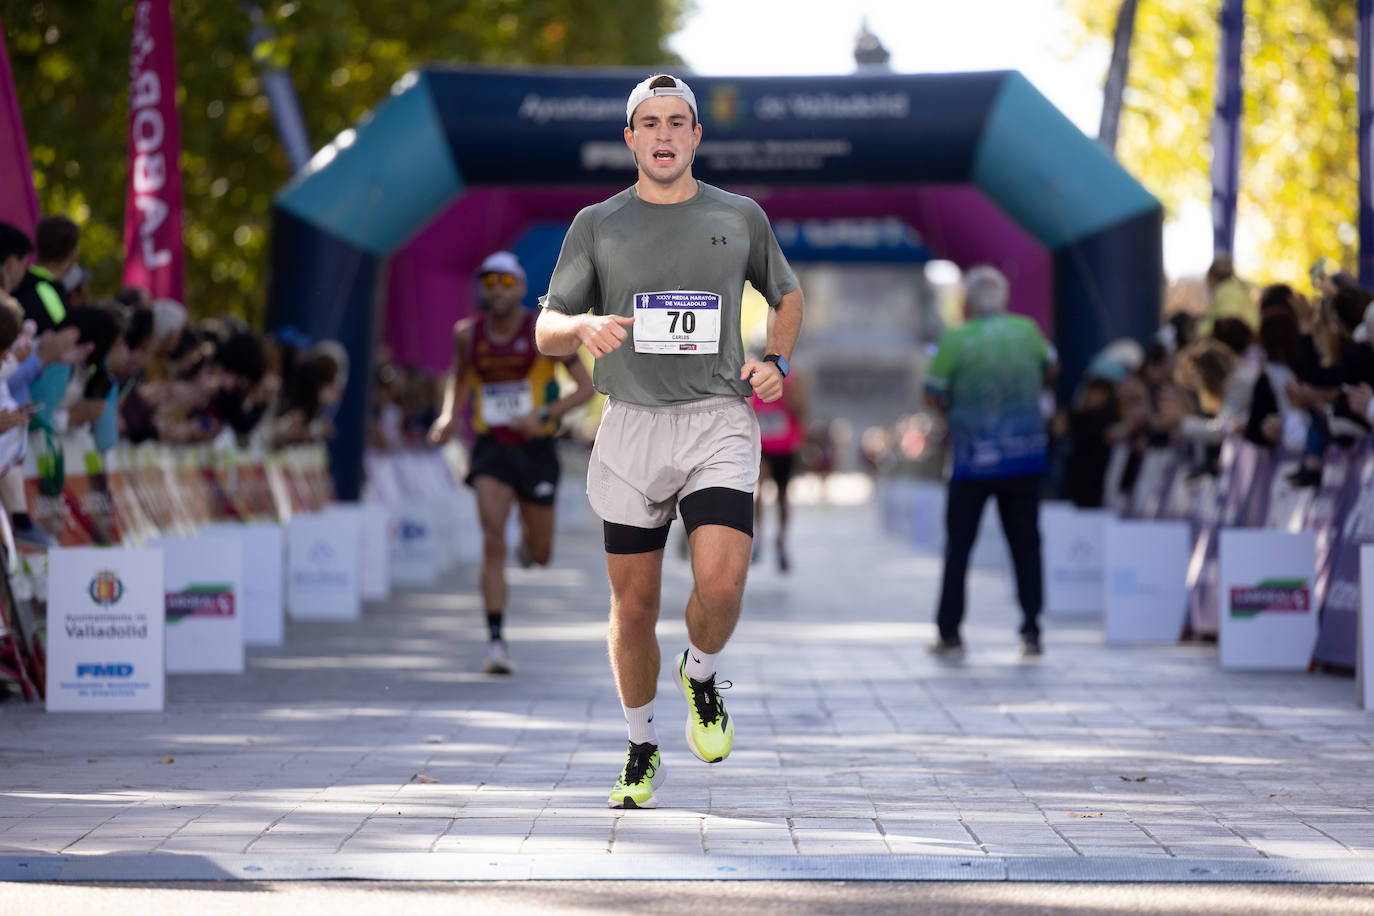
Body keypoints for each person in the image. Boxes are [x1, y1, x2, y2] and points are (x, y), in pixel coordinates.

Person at [534, 74, 804, 809]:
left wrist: (775, 360)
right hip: (631, 426)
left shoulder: (740, 215)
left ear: (695, 136)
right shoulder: (598, 223)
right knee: (634, 606)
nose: (662, 134)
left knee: (720, 584)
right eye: (648, 122)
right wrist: (581, 328)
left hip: (718, 415)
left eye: (676, 122)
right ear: (630, 138)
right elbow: (546, 323)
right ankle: (640, 743)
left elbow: (787, 295)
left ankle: (703, 673)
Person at [429, 251, 594, 675]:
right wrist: (449, 416)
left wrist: (541, 417)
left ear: (521, 288)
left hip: (536, 448)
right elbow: (461, 378)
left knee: (540, 554)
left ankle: (529, 541)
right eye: (489, 282)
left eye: (506, 282)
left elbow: (585, 388)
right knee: (491, 541)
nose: (497, 290)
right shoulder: (467, 334)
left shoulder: (543, 332)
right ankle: (496, 640)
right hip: (492, 449)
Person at [924, 266, 1053, 659]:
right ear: (1005, 299)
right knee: (1026, 545)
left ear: (966, 302)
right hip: (1024, 457)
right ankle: (1031, 630)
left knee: (959, 548)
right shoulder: (1029, 332)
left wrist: (957, 409)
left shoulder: (955, 340)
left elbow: (932, 393)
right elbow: (1052, 369)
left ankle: (950, 633)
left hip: (971, 462)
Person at [751, 363, 806, 572]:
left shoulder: (793, 377)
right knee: (759, 491)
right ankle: (759, 538)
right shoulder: (756, 374)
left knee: (782, 497)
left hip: (785, 447)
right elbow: (751, 406)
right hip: (763, 446)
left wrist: (787, 392)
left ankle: (781, 540)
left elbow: (801, 410)